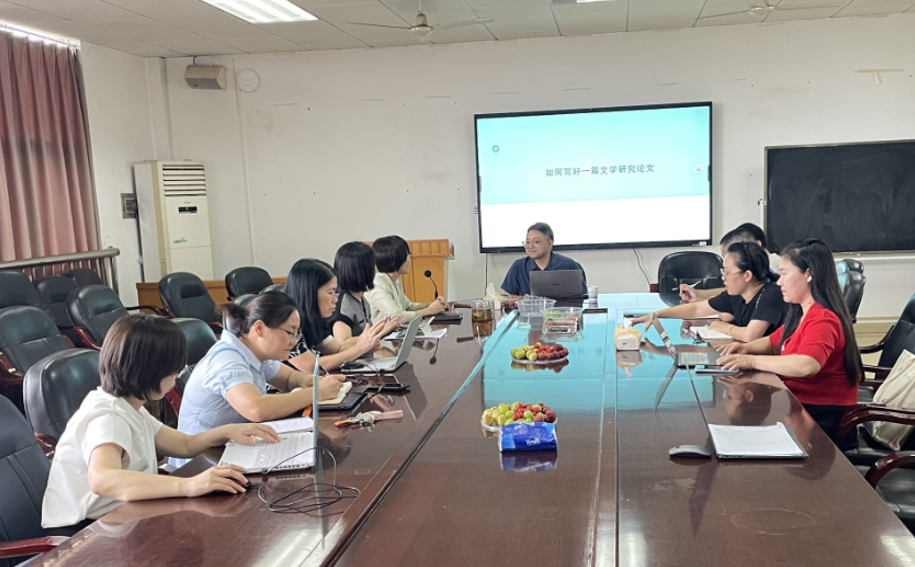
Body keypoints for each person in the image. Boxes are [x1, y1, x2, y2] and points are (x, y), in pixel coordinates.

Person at [42, 315, 280, 534]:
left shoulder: (129, 406)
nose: (177, 377)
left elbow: (184, 445)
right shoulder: (107, 416)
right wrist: (189, 485)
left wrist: (228, 431)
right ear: (151, 371)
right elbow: (102, 479)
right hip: (83, 532)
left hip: (120, 519)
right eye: (176, 370)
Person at [718, 239, 863, 446]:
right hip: (798, 406)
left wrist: (751, 361)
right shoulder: (801, 312)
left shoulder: (823, 319)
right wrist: (745, 348)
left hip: (821, 420)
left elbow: (806, 365)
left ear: (808, 274)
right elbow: (772, 342)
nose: (779, 282)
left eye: (785, 274)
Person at [177, 291, 345, 441]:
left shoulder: (253, 349)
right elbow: (256, 409)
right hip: (202, 457)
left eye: (297, 334)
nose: (294, 342)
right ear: (259, 328)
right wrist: (317, 392)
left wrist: (310, 381)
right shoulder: (227, 360)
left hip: (235, 443)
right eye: (290, 333)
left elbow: (289, 379)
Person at [634, 242, 785, 342]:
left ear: (747, 275)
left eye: (727, 272)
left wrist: (724, 327)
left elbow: (750, 335)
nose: (723, 277)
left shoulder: (770, 294)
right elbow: (696, 309)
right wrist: (656, 315)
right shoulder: (735, 295)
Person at [286, 258, 387, 373]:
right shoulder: (287, 324)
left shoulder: (314, 320)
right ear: (309, 293)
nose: (335, 299)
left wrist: (367, 346)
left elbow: (337, 349)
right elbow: (313, 366)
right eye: (330, 293)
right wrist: (360, 348)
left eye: (335, 293)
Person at [329, 241, 403, 343]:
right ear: (364, 270)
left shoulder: (362, 299)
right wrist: (383, 330)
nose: (376, 269)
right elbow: (343, 342)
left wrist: (386, 327)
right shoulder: (343, 303)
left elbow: (365, 334)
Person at [365, 235, 448, 323]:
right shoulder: (377, 285)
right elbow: (397, 316)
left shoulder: (395, 282)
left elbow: (409, 307)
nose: (409, 259)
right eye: (408, 255)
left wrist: (434, 305)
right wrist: (429, 310)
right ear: (397, 258)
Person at [501, 222, 587, 296]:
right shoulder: (519, 266)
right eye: (528, 242)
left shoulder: (568, 265)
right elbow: (508, 298)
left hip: (562, 310)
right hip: (530, 310)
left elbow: (581, 298)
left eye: (536, 242)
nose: (530, 246)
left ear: (549, 244)